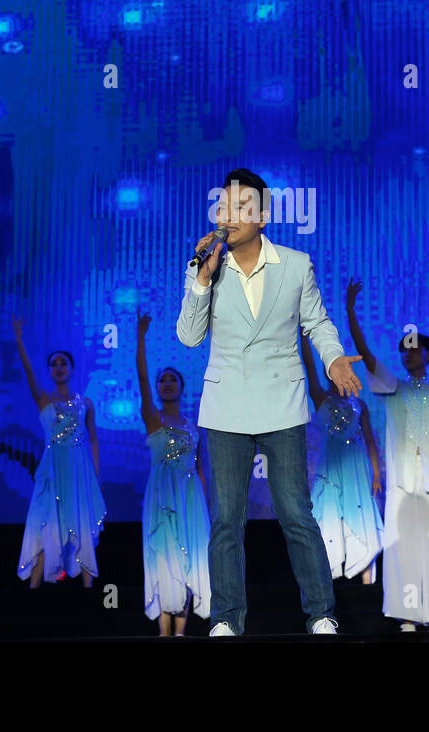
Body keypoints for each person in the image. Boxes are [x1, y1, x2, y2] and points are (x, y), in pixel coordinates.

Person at [176, 168, 362, 637]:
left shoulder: (296, 265)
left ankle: (321, 612)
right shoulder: (206, 267)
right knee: (226, 520)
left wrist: (335, 359)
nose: (229, 216)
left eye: (241, 208)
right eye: (222, 207)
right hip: (226, 408)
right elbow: (188, 336)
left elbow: (317, 323)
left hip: (282, 404)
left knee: (296, 513)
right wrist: (201, 277)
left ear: (263, 216)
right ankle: (226, 619)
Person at [347, 279, 429, 631]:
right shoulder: (393, 387)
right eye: (404, 350)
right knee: (403, 549)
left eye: (415, 349)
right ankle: (406, 616)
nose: (409, 354)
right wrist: (351, 313)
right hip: (404, 481)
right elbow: (368, 357)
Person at [12, 319, 105, 588]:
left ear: (72, 369)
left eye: (63, 363)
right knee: (46, 524)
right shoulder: (44, 399)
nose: (59, 367)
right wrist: (19, 339)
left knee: (81, 525)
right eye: (54, 364)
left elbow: (94, 440)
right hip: (52, 469)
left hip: (78, 469)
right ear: (50, 371)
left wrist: (95, 476)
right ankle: (34, 592)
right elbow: (29, 374)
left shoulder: (85, 403)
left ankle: (89, 593)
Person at [137, 312, 211, 634]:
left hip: (191, 498)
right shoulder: (153, 418)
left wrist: (204, 507)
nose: (167, 384)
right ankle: (164, 634)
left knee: (190, 557)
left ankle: (180, 633)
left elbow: (200, 468)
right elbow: (141, 377)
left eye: (172, 380)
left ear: (181, 387)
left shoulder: (194, 427)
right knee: (165, 555)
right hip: (162, 496)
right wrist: (140, 337)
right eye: (162, 380)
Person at [301, 307, 383, 585]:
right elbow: (310, 368)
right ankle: (331, 578)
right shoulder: (322, 398)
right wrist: (304, 336)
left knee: (360, 513)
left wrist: (376, 473)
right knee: (330, 515)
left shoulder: (359, 404)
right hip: (331, 466)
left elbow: (370, 440)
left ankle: (366, 581)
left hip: (357, 466)